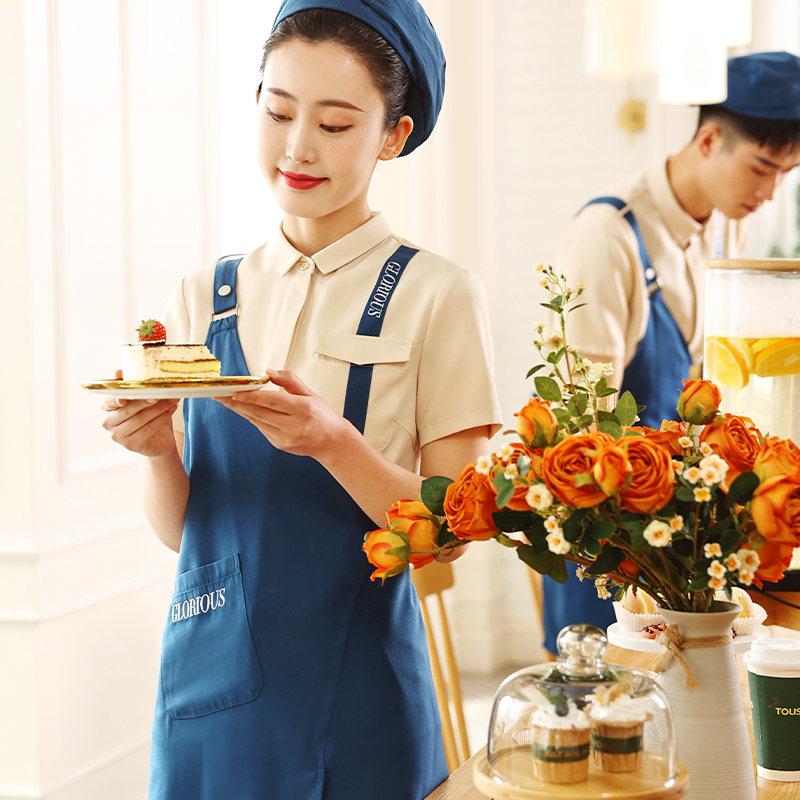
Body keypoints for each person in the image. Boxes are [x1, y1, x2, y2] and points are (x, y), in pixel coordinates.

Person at [101, 2, 502, 798]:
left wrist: (335, 444)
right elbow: (192, 534)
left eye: (336, 123)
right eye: (278, 110)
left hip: (360, 688)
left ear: (393, 134)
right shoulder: (204, 295)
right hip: (207, 683)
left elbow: (452, 530)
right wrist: (155, 453)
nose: (296, 147)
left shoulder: (437, 294)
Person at [542, 51, 800, 656]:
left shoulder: (726, 223)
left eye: (785, 174)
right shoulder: (608, 237)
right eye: (762, 167)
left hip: (683, 543)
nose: (769, 191)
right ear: (709, 140)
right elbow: (581, 424)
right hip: (612, 543)